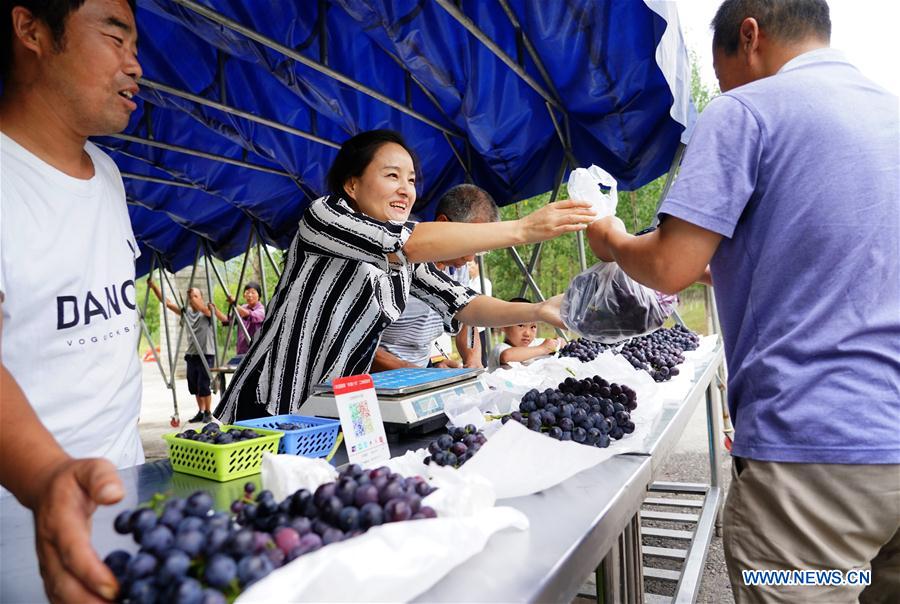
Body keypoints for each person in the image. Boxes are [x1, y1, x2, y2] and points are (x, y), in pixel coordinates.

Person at [586, 1, 899, 601]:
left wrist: (612, 239)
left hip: (814, 464)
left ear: (748, 36)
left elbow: (668, 266)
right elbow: (834, 259)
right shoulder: (891, 113)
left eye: (722, 69)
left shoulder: (746, 110)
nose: (723, 85)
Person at [215, 129, 596, 422]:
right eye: (392, 176)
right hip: (272, 400)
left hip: (338, 410)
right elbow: (408, 242)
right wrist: (523, 229)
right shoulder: (324, 216)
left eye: (411, 180)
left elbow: (466, 305)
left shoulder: (406, 259)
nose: (405, 189)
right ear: (352, 184)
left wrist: (541, 310)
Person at [0, 0, 142, 601]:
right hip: (24, 524)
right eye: (115, 37)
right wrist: (48, 476)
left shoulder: (106, 172)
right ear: (31, 29)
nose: (135, 66)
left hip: (124, 499)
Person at [372, 184, 499, 371]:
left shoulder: (457, 267)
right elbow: (357, 340)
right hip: (373, 380)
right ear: (443, 223)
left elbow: (465, 319)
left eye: (479, 249)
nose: (470, 258)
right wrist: (416, 373)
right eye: (469, 243)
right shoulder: (391, 260)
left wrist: (472, 362)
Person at [147, 280, 216, 423]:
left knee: (204, 385)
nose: (192, 299)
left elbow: (204, 309)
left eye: (195, 296)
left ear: (201, 298)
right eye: (190, 297)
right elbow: (166, 302)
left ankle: (208, 412)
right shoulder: (187, 313)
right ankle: (201, 411)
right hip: (191, 355)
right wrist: (154, 286)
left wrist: (193, 299)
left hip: (206, 354)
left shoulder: (207, 312)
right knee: (195, 386)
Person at [488, 298, 563, 371]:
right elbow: (506, 356)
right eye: (521, 325)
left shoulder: (534, 343)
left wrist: (558, 342)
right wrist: (542, 349)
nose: (527, 333)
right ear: (503, 326)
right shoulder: (500, 348)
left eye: (533, 327)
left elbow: (550, 343)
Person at [210, 280, 265, 356]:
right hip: (241, 352)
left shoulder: (262, 310)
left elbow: (249, 315)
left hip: (256, 353)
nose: (250, 295)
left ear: (259, 296)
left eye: (253, 292)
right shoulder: (242, 308)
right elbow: (227, 320)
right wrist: (215, 310)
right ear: (244, 295)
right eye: (247, 292)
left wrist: (234, 304)